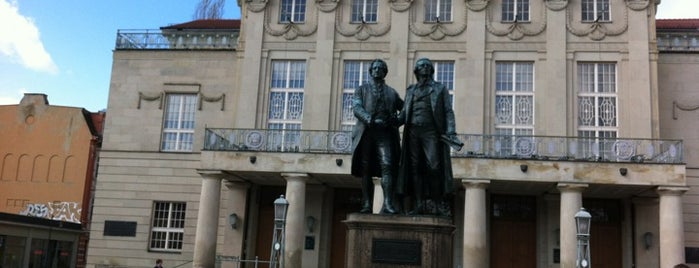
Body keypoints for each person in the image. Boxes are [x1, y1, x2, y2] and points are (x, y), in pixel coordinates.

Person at [397, 58, 460, 216]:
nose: (424, 68)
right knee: (415, 168)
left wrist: (451, 131)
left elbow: (448, 111)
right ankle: (418, 203)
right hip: (413, 131)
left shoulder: (440, 89)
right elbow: (404, 114)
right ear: (416, 71)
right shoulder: (411, 90)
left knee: (434, 166)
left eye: (427, 66)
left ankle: (437, 202)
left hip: (430, 131)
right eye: (421, 66)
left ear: (431, 70)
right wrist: (387, 122)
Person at [351, 59, 404, 214]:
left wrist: (398, 121)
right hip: (366, 132)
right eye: (375, 68)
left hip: (385, 133)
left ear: (384, 72)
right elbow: (357, 108)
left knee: (387, 165)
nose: (377, 70)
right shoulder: (362, 89)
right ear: (370, 71)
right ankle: (367, 204)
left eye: (381, 68)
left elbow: (406, 108)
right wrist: (371, 120)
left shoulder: (391, 92)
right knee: (366, 169)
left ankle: (387, 203)